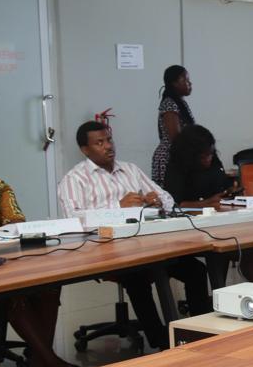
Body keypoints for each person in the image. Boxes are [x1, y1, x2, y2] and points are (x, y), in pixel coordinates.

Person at [59, 121, 210, 350]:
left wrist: (156, 201)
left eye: (109, 140)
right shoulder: (74, 179)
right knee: (137, 277)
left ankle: (201, 333)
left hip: (149, 242)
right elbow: (74, 219)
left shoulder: (130, 169)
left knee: (196, 270)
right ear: (85, 150)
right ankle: (160, 341)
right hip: (107, 250)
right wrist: (117, 207)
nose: (108, 146)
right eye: (99, 143)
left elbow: (168, 199)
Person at [0, 143, 79, 367]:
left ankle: (39, 363)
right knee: (12, 292)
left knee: (49, 285)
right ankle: (51, 362)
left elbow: (15, 222)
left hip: (5, 259)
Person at [162, 124, 237, 208]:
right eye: (203, 157)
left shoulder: (213, 159)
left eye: (211, 153)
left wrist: (231, 190)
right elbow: (174, 204)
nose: (209, 159)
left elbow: (223, 184)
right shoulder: (176, 168)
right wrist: (207, 202)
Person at [151, 65, 195, 186]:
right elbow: (175, 138)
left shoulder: (180, 102)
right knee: (170, 193)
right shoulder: (169, 104)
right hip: (169, 157)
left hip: (178, 155)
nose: (190, 83)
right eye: (185, 80)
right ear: (174, 83)